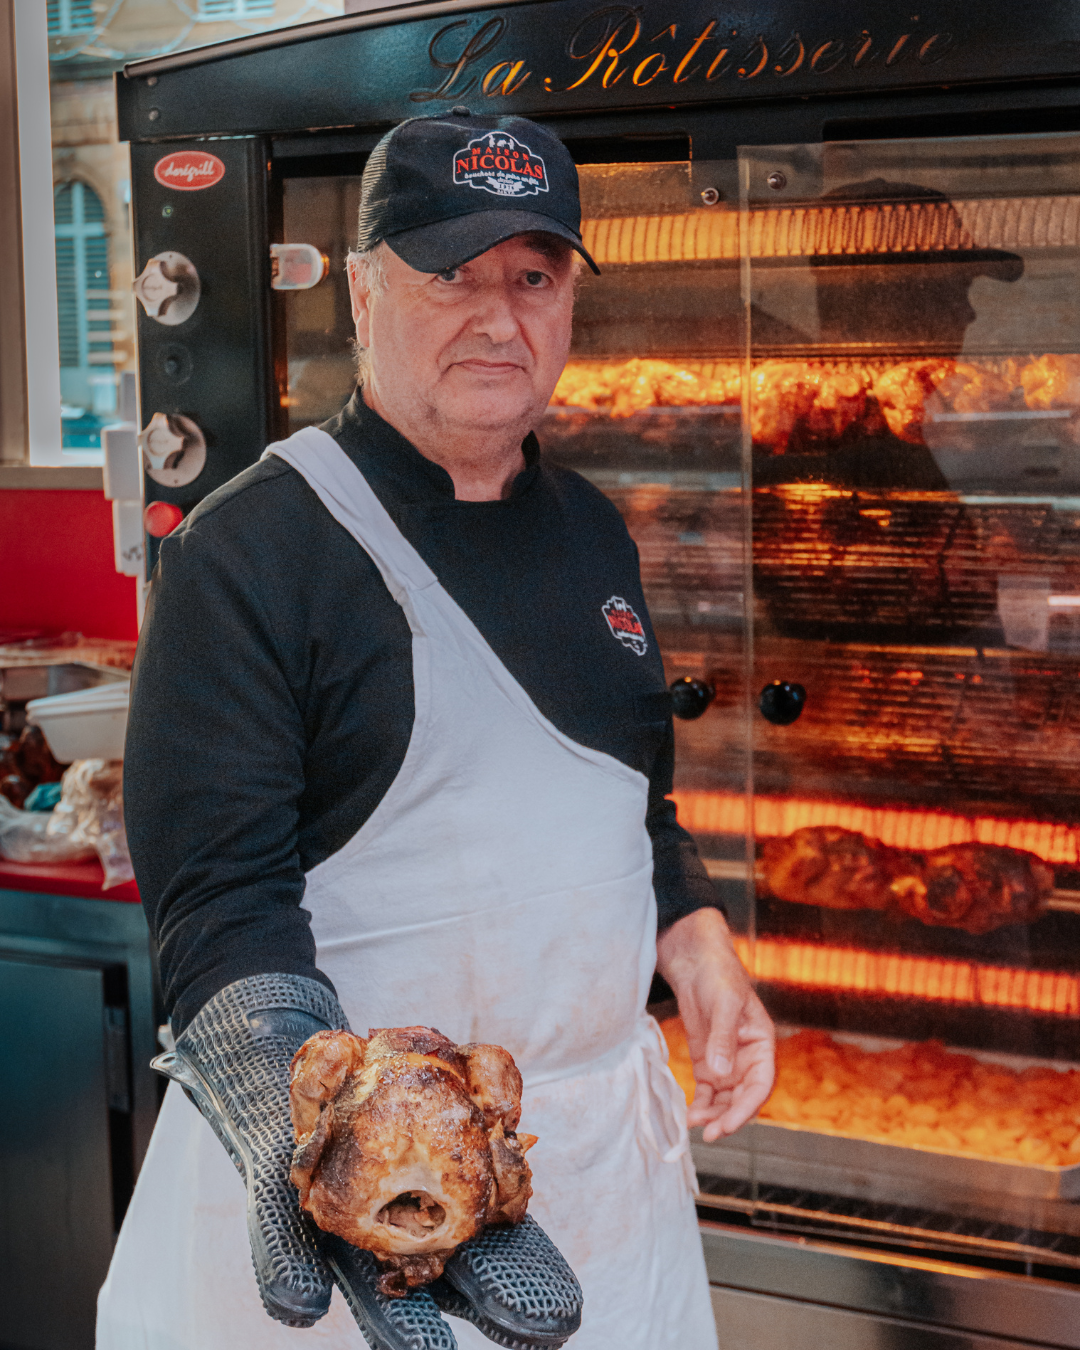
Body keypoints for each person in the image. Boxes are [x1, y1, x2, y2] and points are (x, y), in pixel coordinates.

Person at [97, 110, 775, 1350]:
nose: (498, 316)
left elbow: (632, 804)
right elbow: (219, 906)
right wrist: (322, 1147)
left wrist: (696, 938)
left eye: (532, 277)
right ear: (361, 291)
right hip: (353, 1206)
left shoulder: (591, 532)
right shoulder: (251, 555)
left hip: (600, 1190)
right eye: (449, 274)